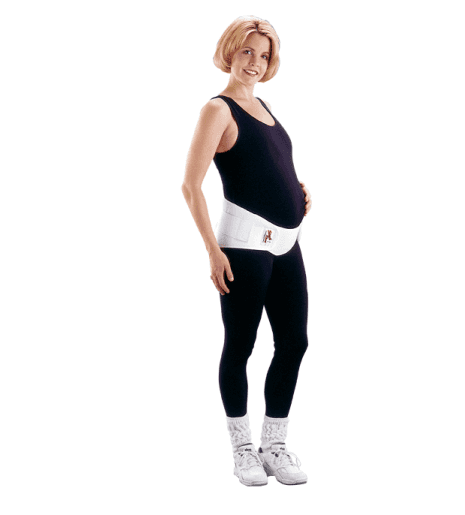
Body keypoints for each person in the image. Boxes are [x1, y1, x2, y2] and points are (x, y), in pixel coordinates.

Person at [181, 15, 312, 486]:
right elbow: (191, 186)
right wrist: (212, 251)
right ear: (230, 51)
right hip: (242, 248)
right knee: (240, 345)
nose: (255, 62)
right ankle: (242, 450)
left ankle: (273, 446)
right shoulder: (217, 110)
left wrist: (297, 190)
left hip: (287, 246)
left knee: (294, 343)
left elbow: (266, 166)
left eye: (264, 54)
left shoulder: (266, 107)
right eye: (247, 51)